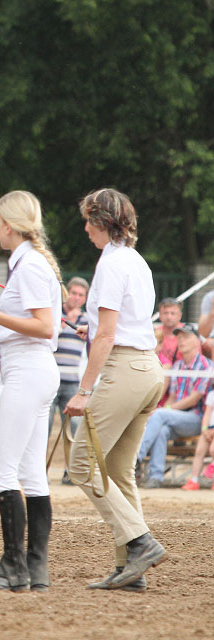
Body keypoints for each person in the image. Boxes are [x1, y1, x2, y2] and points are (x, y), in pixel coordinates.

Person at [64, 188, 167, 592]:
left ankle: (140, 542)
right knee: (120, 472)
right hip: (148, 370)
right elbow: (118, 325)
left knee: (81, 465)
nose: (86, 229)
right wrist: (96, 329)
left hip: (125, 370)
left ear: (102, 221)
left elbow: (107, 336)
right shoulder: (136, 261)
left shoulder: (109, 265)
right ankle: (130, 570)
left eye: (89, 222)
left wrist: (84, 390)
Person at [0, 191, 62, 592]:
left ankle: (13, 567)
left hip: (28, 370)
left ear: (8, 224)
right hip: (33, 371)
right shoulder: (29, 264)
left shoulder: (29, 267)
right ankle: (35, 568)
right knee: (32, 475)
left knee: (3, 469)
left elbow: (44, 326)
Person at [136, 324, 211, 488]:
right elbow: (172, 397)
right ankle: (156, 477)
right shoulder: (178, 365)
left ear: (197, 341)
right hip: (179, 418)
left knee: (159, 415)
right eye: (180, 337)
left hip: (198, 418)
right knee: (161, 429)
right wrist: (166, 410)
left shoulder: (206, 366)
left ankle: (136, 457)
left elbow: (193, 399)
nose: (181, 340)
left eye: (186, 337)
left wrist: (165, 410)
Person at [50, 277, 89, 485]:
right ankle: (39, 468)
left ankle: (71, 470)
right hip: (52, 378)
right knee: (45, 425)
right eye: (73, 293)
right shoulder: (56, 314)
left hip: (73, 380)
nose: (75, 297)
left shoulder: (87, 320)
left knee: (74, 428)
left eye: (80, 295)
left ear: (84, 298)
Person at [181, 389, 214, 490]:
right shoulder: (211, 394)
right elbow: (207, 414)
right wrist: (204, 430)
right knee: (199, 451)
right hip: (209, 428)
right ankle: (194, 480)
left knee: (213, 449)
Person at [153, 298, 183, 369]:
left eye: (173, 313)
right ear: (160, 315)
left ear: (180, 316)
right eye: (165, 313)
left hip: (180, 375)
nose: (169, 317)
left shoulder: (188, 334)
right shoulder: (154, 333)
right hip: (159, 372)